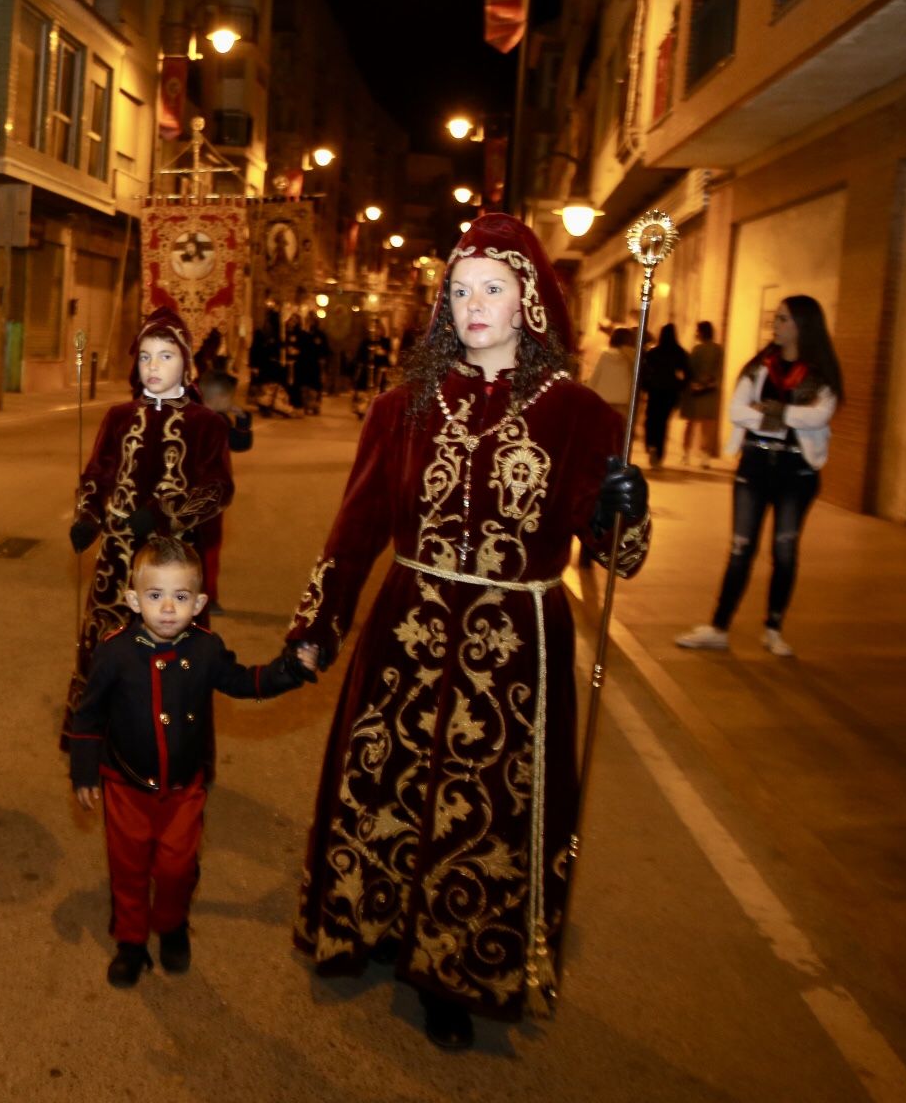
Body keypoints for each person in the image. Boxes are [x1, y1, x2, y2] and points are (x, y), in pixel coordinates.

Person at [285, 214, 650, 1051]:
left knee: (484, 810)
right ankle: (371, 925)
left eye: (492, 287)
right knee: (388, 785)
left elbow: (617, 555)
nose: (472, 303)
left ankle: (453, 967)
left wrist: (623, 510)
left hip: (517, 644)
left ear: (530, 302)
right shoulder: (403, 405)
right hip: (407, 632)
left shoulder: (580, 416)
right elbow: (357, 525)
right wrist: (317, 627)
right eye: (459, 290)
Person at [67, 537, 314, 988]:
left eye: (180, 597)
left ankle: (173, 923)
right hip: (125, 782)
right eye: (155, 596)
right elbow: (88, 713)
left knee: (177, 868)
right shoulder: (115, 651)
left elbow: (244, 682)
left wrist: (289, 670)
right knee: (128, 866)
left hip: (184, 787)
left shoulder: (205, 648)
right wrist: (84, 770)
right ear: (132, 600)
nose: (166, 608)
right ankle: (131, 942)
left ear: (199, 602)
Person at [65, 308, 233, 744]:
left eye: (165, 356)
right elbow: (96, 474)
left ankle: (165, 744)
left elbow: (217, 488)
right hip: (116, 562)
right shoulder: (119, 417)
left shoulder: (205, 424)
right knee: (108, 646)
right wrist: (88, 516)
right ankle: (96, 737)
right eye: (144, 357)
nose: (152, 367)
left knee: (167, 654)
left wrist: (165, 515)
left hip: (170, 563)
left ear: (187, 363)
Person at [675, 296, 841, 659]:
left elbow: (820, 416)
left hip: (797, 472)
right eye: (776, 318)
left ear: (801, 324)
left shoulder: (818, 374)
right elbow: (737, 411)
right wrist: (781, 417)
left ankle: (773, 628)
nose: (775, 325)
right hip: (754, 466)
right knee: (740, 549)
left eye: (782, 319)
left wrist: (777, 411)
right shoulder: (760, 367)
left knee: (784, 550)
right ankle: (718, 627)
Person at [194, 371, 252, 611]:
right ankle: (206, 596)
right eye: (229, 398)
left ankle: (202, 594)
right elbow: (238, 445)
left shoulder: (217, 418)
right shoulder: (211, 421)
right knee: (208, 545)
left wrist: (242, 421)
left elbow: (240, 443)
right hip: (207, 492)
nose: (232, 403)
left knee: (203, 545)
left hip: (210, 493)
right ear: (217, 398)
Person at [640, 323, 689, 468]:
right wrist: (680, 386)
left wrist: (645, 387)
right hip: (670, 392)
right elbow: (687, 374)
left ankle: (650, 445)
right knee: (662, 422)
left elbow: (644, 371)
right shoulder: (680, 353)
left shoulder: (654, 352)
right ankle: (659, 453)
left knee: (651, 419)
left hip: (655, 391)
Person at [681, 320, 725, 467]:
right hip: (711, 390)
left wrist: (697, 383)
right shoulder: (718, 349)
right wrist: (710, 381)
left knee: (691, 424)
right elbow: (718, 370)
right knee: (707, 426)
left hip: (695, 390)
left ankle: (686, 454)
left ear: (701, 332)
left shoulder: (697, 349)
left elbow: (690, 368)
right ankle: (705, 456)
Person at [587, 326, 637, 409]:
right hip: (623, 401)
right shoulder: (633, 357)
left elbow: (595, 377)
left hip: (603, 399)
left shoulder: (605, 355)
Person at [354, 318, 394, 419]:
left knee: (379, 391)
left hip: (380, 371)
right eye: (374, 328)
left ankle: (377, 411)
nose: (376, 331)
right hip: (367, 370)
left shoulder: (385, 342)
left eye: (378, 328)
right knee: (363, 391)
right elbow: (360, 356)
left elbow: (388, 357)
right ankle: (362, 409)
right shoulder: (366, 342)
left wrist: (382, 353)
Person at [295, 316, 330, 415]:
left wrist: (323, 363)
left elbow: (324, 350)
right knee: (304, 385)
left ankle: (315, 405)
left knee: (315, 386)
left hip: (315, 364)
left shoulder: (320, 335)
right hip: (303, 363)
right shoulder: (302, 334)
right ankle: (305, 405)